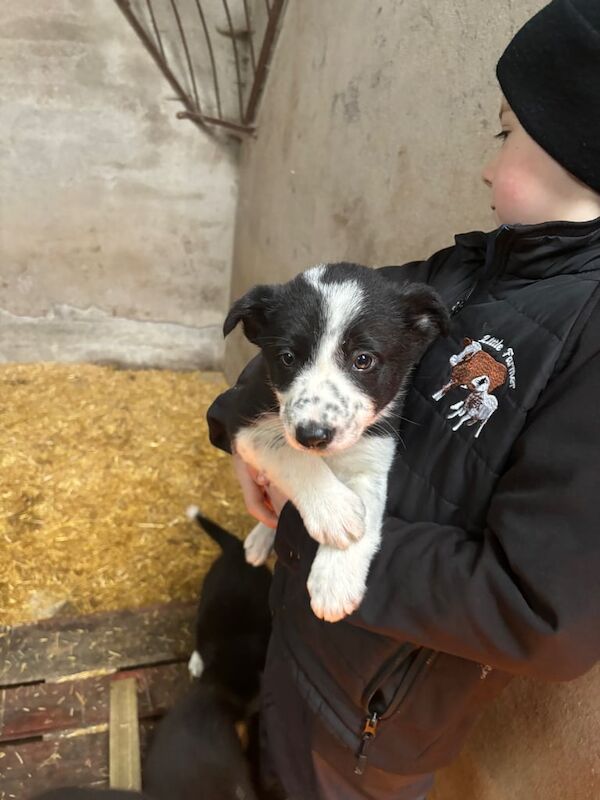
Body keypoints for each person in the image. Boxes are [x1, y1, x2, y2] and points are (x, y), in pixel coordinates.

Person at [206, 1, 600, 798]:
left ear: (579, 143)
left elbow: (537, 609)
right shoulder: (467, 268)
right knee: (275, 758)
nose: (489, 168)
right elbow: (294, 346)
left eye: (505, 133)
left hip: (373, 723)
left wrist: (309, 522)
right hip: (300, 631)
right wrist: (250, 435)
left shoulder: (583, 340)